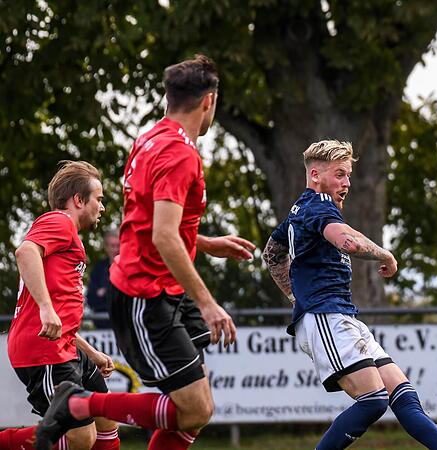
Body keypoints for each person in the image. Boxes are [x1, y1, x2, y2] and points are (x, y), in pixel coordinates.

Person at [35, 55, 256, 450]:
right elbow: (164, 237)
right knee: (195, 410)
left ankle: (83, 403)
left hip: (167, 289)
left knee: (196, 412)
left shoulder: (151, 137)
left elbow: (149, 224)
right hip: (145, 294)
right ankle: (80, 404)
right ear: (208, 101)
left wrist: (205, 243)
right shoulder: (178, 153)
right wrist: (208, 303)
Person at [264, 140, 437, 450]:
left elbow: (272, 254)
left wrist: (293, 296)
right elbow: (348, 243)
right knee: (374, 400)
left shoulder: (303, 209)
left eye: (348, 175)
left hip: (340, 314)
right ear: (315, 175)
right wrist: (384, 254)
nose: (347, 183)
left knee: (403, 395)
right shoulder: (319, 205)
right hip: (325, 314)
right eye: (339, 174)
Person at [2, 161, 120, 450]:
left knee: (106, 417)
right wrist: (45, 307)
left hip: (64, 348)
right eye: (99, 199)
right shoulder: (60, 221)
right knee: (81, 437)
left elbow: (59, 314)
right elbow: (25, 251)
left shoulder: (68, 236)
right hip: (44, 352)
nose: (102, 208)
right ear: (79, 200)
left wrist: (91, 352)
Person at [85, 228, 119, 328]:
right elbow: (91, 298)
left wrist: (104, 292)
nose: (116, 250)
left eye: (118, 246)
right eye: (113, 246)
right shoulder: (98, 268)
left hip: (124, 325)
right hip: (102, 326)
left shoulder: (129, 267)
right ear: (106, 247)